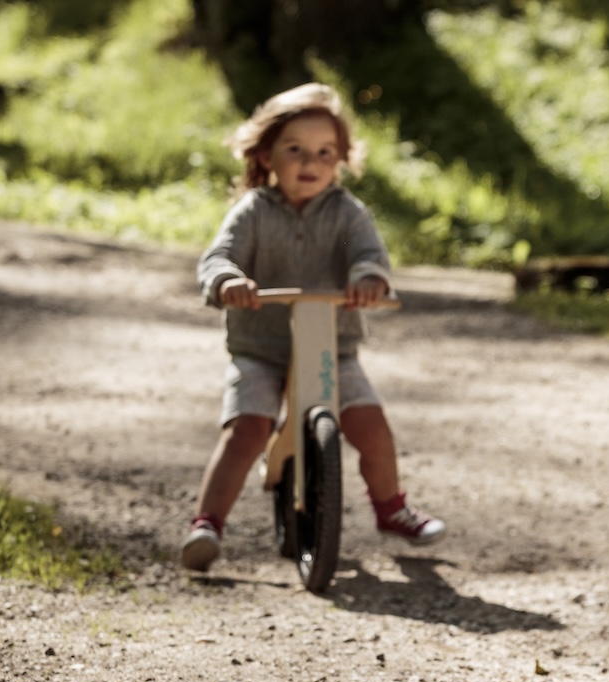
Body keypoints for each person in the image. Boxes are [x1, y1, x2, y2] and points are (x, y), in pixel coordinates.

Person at [182, 82, 445, 572]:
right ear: (267, 155)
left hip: (332, 348)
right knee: (247, 429)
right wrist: (228, 280)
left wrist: (368, 279)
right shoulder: (254, 211)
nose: (311, 162)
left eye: (325, 152)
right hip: (262, 347)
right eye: (296, 150)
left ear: (341, 160)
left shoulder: (348, 213)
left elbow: (371, 256)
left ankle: (390, 506)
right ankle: (207, 523)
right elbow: (217, 257)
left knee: (372, 427)